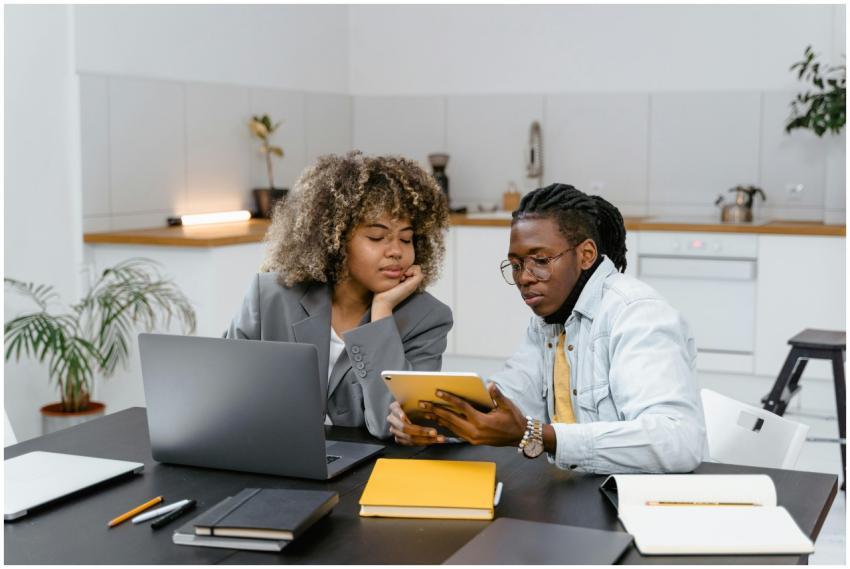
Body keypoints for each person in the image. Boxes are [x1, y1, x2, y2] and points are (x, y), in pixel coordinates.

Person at [388, 183, 706, 474]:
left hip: (643, 507)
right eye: (515, 265)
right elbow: (508, 399)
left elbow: (677, 440)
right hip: (582, 493)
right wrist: (436, 420)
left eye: (540, 260)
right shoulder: (548, 321)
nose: (524, 277)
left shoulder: (636, 314)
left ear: (586, 255)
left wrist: (540, 434)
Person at [226, 151, 452, 439]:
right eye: (376, 237)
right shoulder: (270, 296)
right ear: (333, 238)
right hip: (273, 453)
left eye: (406, 239)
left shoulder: (428, 319)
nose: (396, 251)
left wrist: (382, 313)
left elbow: (391, 426)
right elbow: (225, 393)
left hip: (372, 470)